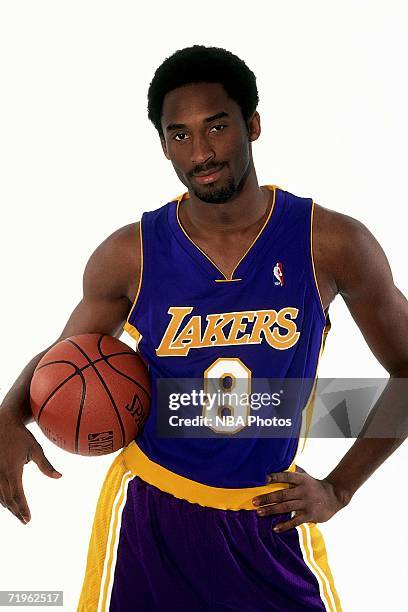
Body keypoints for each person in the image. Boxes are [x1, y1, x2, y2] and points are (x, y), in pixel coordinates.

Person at [0, 45, 407, 612]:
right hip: (150, 514)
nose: (202, 152)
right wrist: (7, 413)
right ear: (164, 145)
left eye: (216, 127)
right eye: (181, 135)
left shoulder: (332, 243)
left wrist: (340, 489)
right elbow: (70, 357)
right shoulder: (130, 255)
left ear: (253, 125)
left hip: (271, 518)